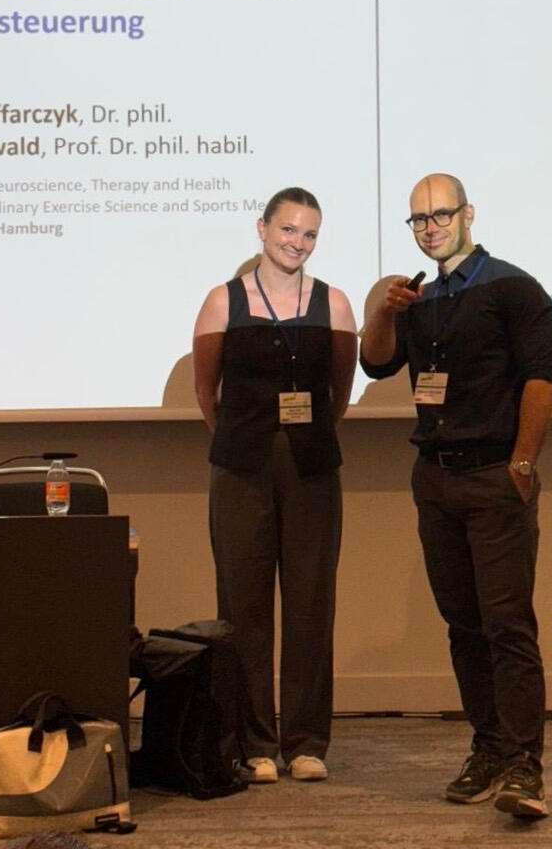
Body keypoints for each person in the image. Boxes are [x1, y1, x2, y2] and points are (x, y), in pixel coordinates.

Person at [359, 174, 552, 818]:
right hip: (436, 478)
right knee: (464, 626)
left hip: (495, 475)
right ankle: (489, 748)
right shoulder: (417, 297)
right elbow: (375, 363)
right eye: (418, 219)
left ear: (468, 214)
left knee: (507, 625)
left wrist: (522, 463)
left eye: (441, 215)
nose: (430, 228)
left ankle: (526, 766)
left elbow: (541, 379)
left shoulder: (513, 288)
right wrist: (384, 311)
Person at [192, 187, 357, 783]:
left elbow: (338, 395)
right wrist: (248, 437)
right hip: (240, 467)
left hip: (311, 470)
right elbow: (206, 394)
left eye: (309, 234)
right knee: (244, 607)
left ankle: (307, 743)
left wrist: (297, 438)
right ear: (262, 229)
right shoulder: (223, 300)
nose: (298, 243)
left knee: (311, 604)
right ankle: (254, 744)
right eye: (288, 230)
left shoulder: (334, 303)